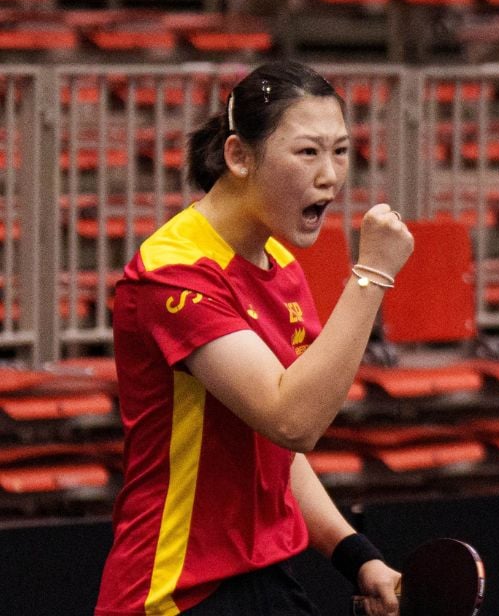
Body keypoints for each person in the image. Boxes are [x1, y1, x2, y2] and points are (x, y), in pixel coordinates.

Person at [95, 61, 413, 616]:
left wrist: (357, 557)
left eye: (340, 151)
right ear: (239, 156)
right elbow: (293, 419)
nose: (331, 176)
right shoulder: (175, 274)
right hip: (175, 593)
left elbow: (275, 450)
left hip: (263, 576)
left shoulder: (280, 264)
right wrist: (372, 275)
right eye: (308, 152)